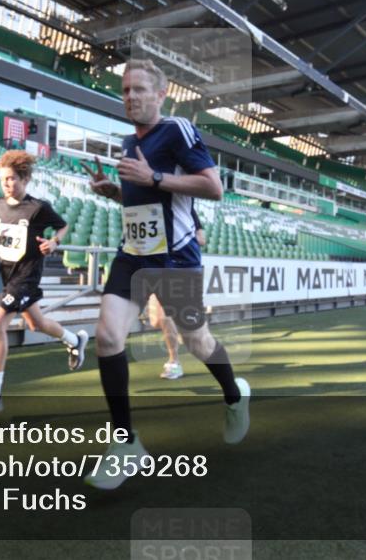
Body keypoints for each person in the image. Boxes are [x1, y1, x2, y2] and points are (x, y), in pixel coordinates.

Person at [80, 59, 250, 490]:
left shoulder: (177, 131)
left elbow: (213, 187)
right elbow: (142, 200)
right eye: (125, 90)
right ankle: (125, 443)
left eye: (139, 89)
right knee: (107, 338)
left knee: (197, 341)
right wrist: (115, 191)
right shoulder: (124, 140)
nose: (131, 97)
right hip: (133, 253)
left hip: (174, 258)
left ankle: (234, 395)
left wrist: (152, 176)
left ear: (161, 94)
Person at [0, 151, 89, 412]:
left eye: (11, 179)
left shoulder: (38, 207)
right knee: (37, 323)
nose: (7, 184)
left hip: (27, 276)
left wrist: (53, 242)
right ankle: (74, 340)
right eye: (3, 180)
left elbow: (63, 226)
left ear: (24, 179)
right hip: (7, 275)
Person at [148, 208, 205, 380]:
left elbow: (202, 239)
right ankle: (181, 329)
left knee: (165, 316)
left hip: (179, 268)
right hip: (154, 265)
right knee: (155, 320)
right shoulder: (150, 206)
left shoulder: (185, 209)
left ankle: (174, 362)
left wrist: (179, 240)